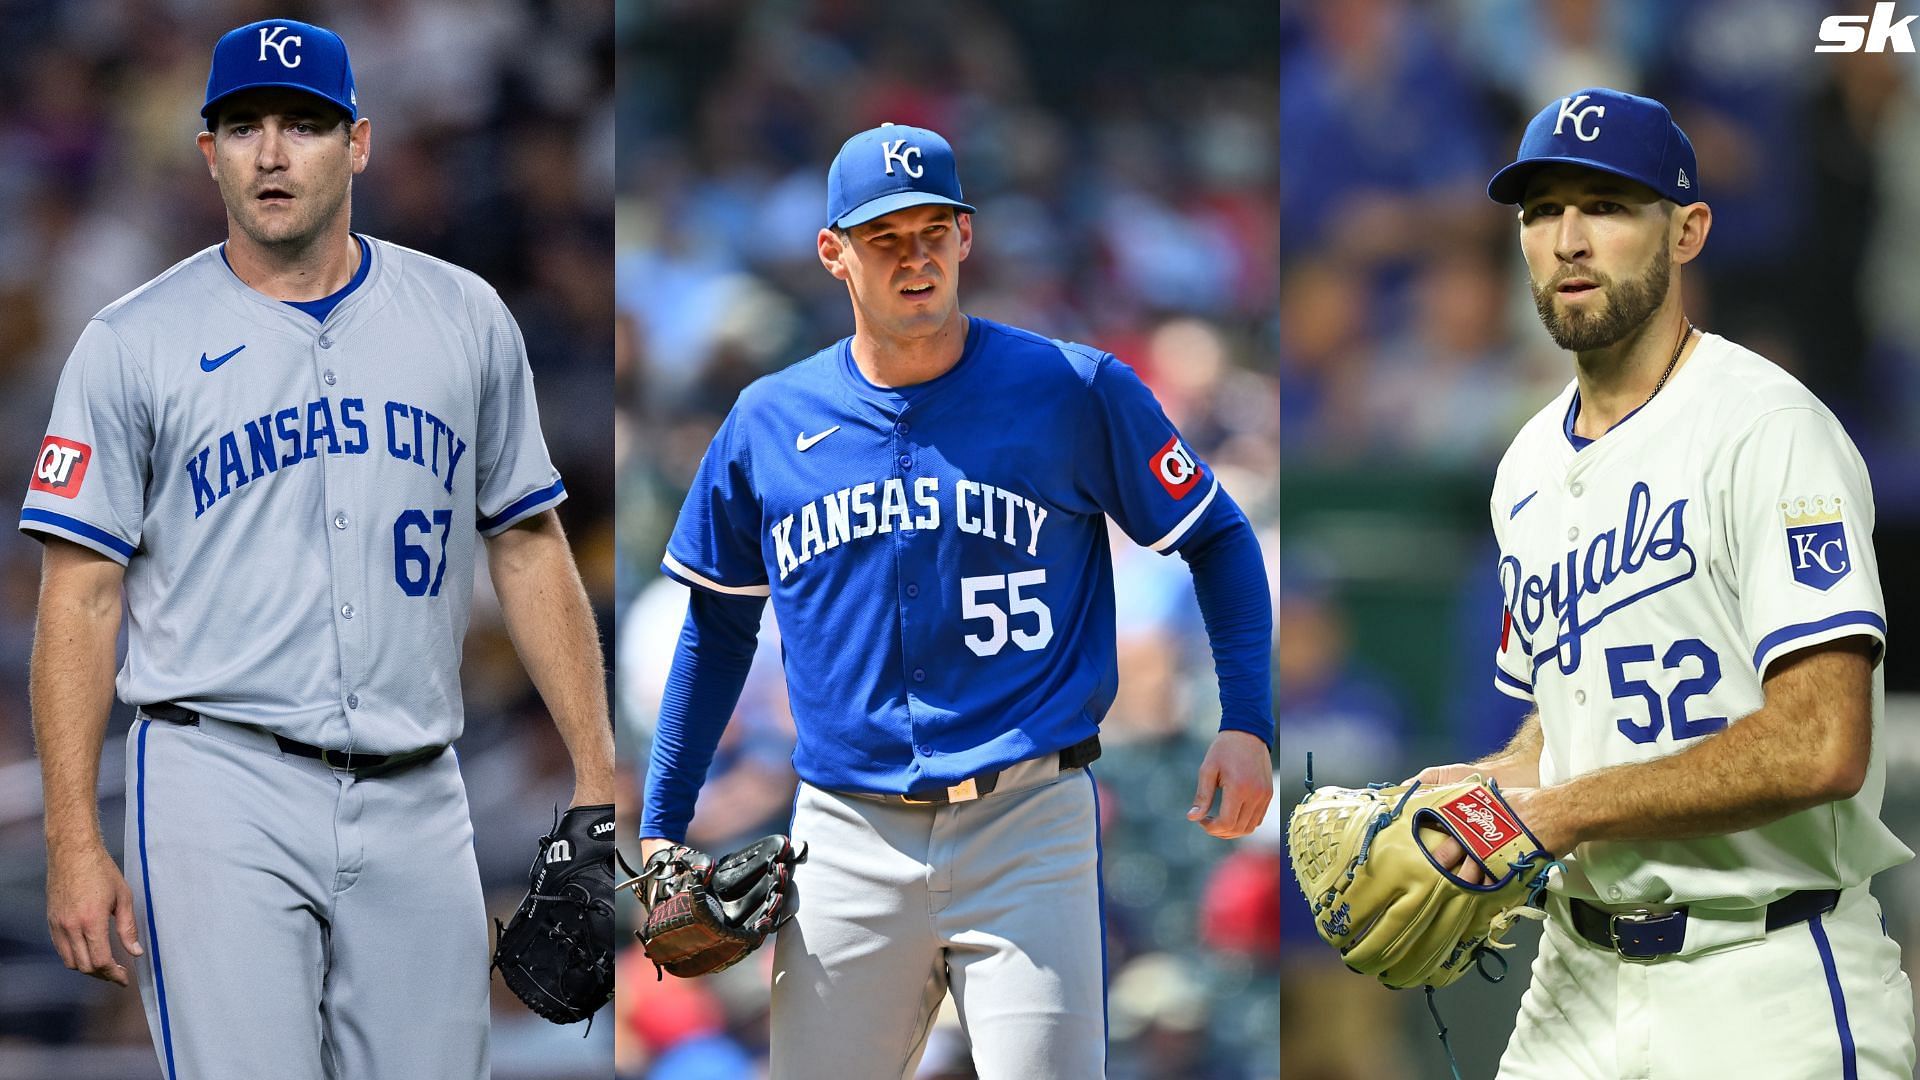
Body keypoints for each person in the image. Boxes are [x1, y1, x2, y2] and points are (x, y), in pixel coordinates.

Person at [24, 19, 614, 1080]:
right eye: (243, 126)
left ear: (360, 144)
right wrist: (75, 837)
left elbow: (528, 546)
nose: (273, 150)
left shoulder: (465, 316)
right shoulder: (131, 341)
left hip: (422, 780)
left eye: (305, 123)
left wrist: (596, 772)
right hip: (220, 776)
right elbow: (80, 593)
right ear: (207, 152)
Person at [640, 123, 1274, 1078]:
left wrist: (1249, 719)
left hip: (1030, 817)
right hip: (845, 833)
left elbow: (1218, 537)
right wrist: (661, 825)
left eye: (935, 229)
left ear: (966, 240)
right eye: (886, 238)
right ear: (834, 254)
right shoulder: (768, 421)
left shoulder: (1073, 387)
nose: (916, 257)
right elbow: (719, 627)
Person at [1417, 88, 1915, 1077]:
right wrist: (1478, 797)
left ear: (1686, 230)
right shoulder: (1523, 467)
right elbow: (1564, 733)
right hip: (1575, 980)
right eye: (1542, 210)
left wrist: (1556, 814)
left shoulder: (1767, 428)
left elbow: (1823, 744)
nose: (1568, 239)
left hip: (1763, 973)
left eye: (1605, 206)